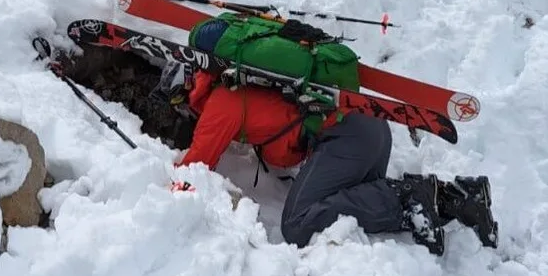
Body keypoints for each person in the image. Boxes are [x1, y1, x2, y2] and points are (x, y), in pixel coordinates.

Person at [163, 62, 499, 255]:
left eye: (179, 98)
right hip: (367, 127)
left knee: (297, 224)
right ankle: (460, 199)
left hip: (346, 135)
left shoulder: (221, 104)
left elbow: (196, 164)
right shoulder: (236, 83)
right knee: (363, 202)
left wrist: (160, 181)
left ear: (187, 88)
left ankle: (414, 199)